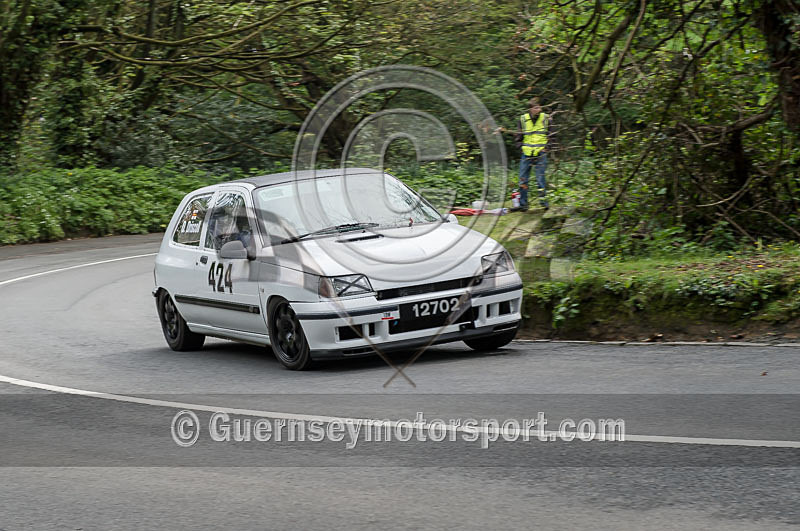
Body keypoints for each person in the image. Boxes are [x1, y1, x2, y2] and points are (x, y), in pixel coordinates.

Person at [513, 97, 550, 210]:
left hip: (541, 154)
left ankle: (544, 204)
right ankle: (523, 205)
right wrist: (521, 148)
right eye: (535, 108)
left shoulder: (546, 118)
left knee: (540, 179)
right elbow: (518, 136)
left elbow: (552, 135)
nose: (538, 110)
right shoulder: (523, 119)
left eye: (539, 107)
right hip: (527, 154)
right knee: (523, 179)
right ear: (530, 109)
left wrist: (547, 148)